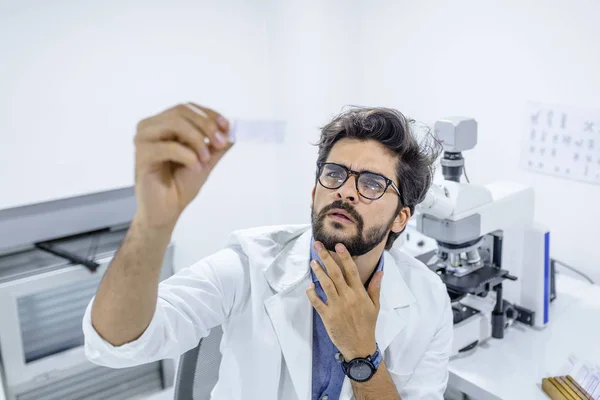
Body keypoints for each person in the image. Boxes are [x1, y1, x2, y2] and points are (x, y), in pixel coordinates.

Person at [82, 102, 453, 400]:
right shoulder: (246, 265)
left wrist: (361, 353)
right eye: (335, 174)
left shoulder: (429, 299)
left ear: (401, 217)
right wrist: (153, 220)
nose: (345, 190)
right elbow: (117, 344)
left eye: (372, 183)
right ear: (314, 193)